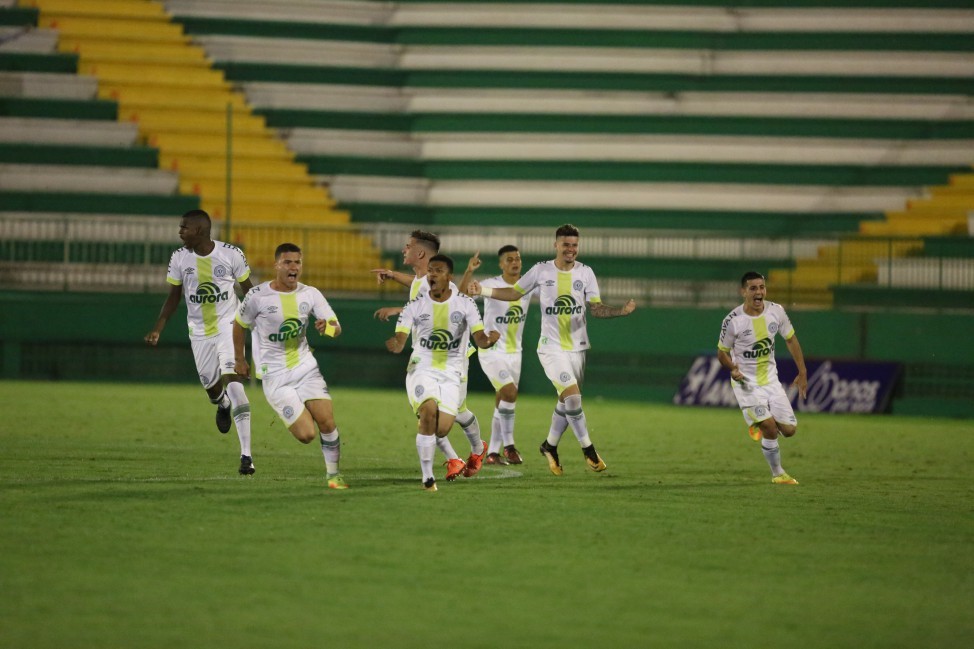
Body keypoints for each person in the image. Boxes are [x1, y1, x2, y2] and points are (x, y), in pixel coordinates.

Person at [467, 224, 636, 476]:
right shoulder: (541, 270)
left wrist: (619, 311)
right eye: (566, 244)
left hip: (578, 348)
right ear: (556, 245)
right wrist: (484, 290)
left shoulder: (586, 273)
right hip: (551, 348)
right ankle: (588, 449)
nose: (571, 249)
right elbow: (514, 292)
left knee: (566, 400)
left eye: (574, 245)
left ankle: (550, 445)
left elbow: (596, 308)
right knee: (573, 397)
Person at [144, 209, 255, 475]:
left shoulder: (231, 254)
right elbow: (173, 297)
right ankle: (223, 405)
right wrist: (159, 328)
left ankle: (246, 456)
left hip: (230, 326)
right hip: (199, 332)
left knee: (235, 383)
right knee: (212, 389)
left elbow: (249, 291)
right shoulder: (179, 258)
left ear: (200, 231)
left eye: (184, 228)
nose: (180, 232)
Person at [232, 243, 349, 490]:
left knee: (327, 421)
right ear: (276, 265)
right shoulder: (258, 296)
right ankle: (296, 409)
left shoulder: (311, 294)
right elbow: (239, 324)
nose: (293, 267)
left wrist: (326, 328)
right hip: (275, 376)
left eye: (297, 262)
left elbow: (336, 329)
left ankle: (334, 476)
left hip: (305, 368)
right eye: (287, 262)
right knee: (307, 435)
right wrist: (240, 359)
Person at [373, 229, 489, 478]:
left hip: (452, 358)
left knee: (453, 410)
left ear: (421, 252)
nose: (403, 249)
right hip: (425, 356)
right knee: (431, 411)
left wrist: (396, 309)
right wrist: (393, 275)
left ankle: (475, 450)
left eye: (408, 246)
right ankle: (457, 458)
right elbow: (415, 287)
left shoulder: (436, 281)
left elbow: (459, 298)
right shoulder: (420, 280)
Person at [716, 271, 808, 485]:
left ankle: (758, 420)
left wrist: (802, 372)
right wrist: (732, 368)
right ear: (743, 292)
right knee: (769, 426)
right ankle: (778, 473)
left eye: (762, 287)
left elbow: (791, 340)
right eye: (753, 288)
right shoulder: (733, 320)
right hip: (745, 383)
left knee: (789, 430)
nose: (759, 292)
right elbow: (722, 353)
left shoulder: (776, 311)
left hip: (771, 381)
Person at [458, 246, 533, 465]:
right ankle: (509, 446)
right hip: (492, 350)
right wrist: (469, 271)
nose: (514, 262)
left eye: (518, 258)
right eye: (509, 259)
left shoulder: (528, 286)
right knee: (510, 393)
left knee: (503, 401)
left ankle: (492, 452)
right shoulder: (490, 284)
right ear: (501, 264)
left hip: (515, 353)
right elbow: (461, 295)